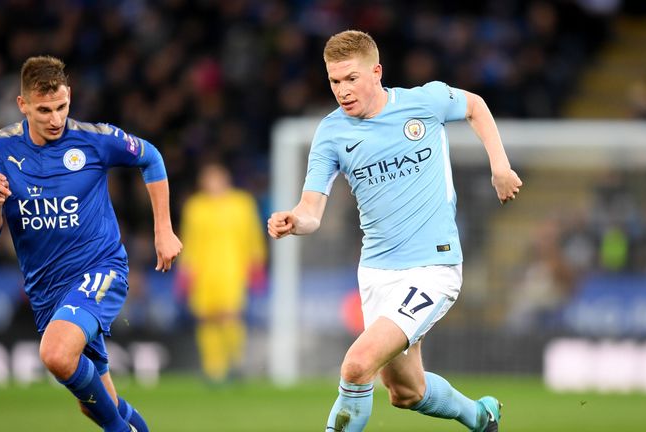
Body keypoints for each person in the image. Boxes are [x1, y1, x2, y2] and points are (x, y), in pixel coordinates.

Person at [267, 30, 522, 432]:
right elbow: (311, 210)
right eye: (334, 81)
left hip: (432, 268)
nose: (342, 90)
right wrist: (294, 221)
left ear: (376, 72)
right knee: (407, 393)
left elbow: (475, 106)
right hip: (376, 274)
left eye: (351, 78)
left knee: (356, 365)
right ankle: (480, 416)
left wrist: (500, 166)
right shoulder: (331, 133)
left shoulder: (423, 102)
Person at [0, 55, 182, 432]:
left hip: (99, 270)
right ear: (22, 105)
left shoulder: (93, 139)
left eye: (61, 106)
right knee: (99, 405)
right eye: (43, 110)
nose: (55, 119)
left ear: (69, 95)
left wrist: (163, 230)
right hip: (46, 290)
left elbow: (151, 157)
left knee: (56, 354)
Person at [178, 162, 266, 384]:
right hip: (203, 271)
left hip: (232, 269)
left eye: (216, 178)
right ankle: (213, 369)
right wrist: (185, 272)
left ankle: (235, 364)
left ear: (226, 179)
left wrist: (256, 265)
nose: (213, 184)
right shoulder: (195, 207)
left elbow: (253, 235)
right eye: (208, 179)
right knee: (207, 319)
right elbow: (189, 241)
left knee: (230, 316)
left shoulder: (242, 203)